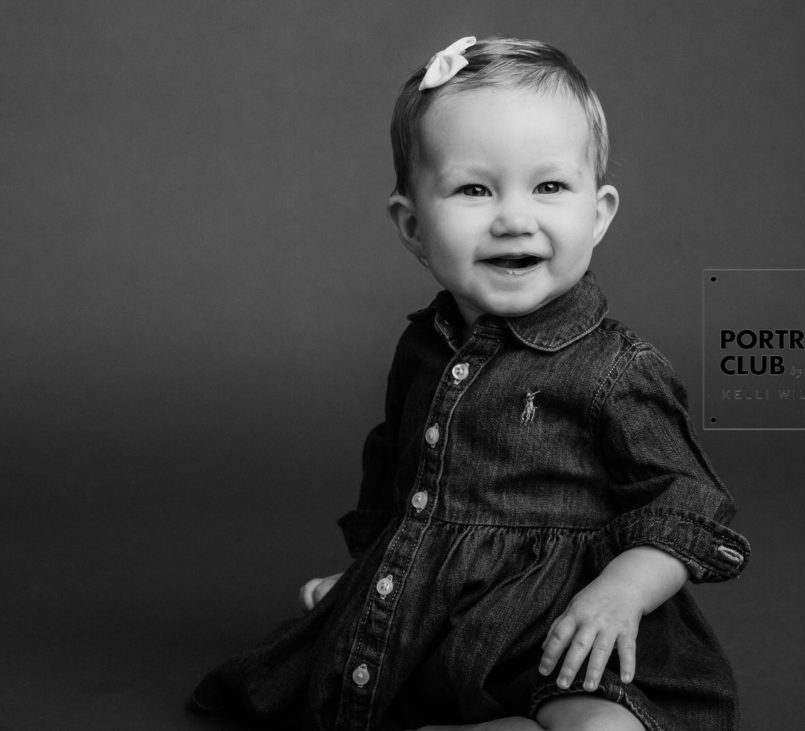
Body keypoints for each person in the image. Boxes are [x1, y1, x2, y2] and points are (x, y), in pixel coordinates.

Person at [190, 35, 750, 731]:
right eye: (474, 189)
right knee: (331, 674)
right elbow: (401, 470)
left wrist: (621, 592)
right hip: (441, 624)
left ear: (599, 212)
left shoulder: (617, 369)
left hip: (564, 633)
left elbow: (686, 504)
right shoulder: (422, 348)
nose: (515, 217)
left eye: (549, 186)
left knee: (608, 726)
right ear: (414, 226)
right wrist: (375, 572)